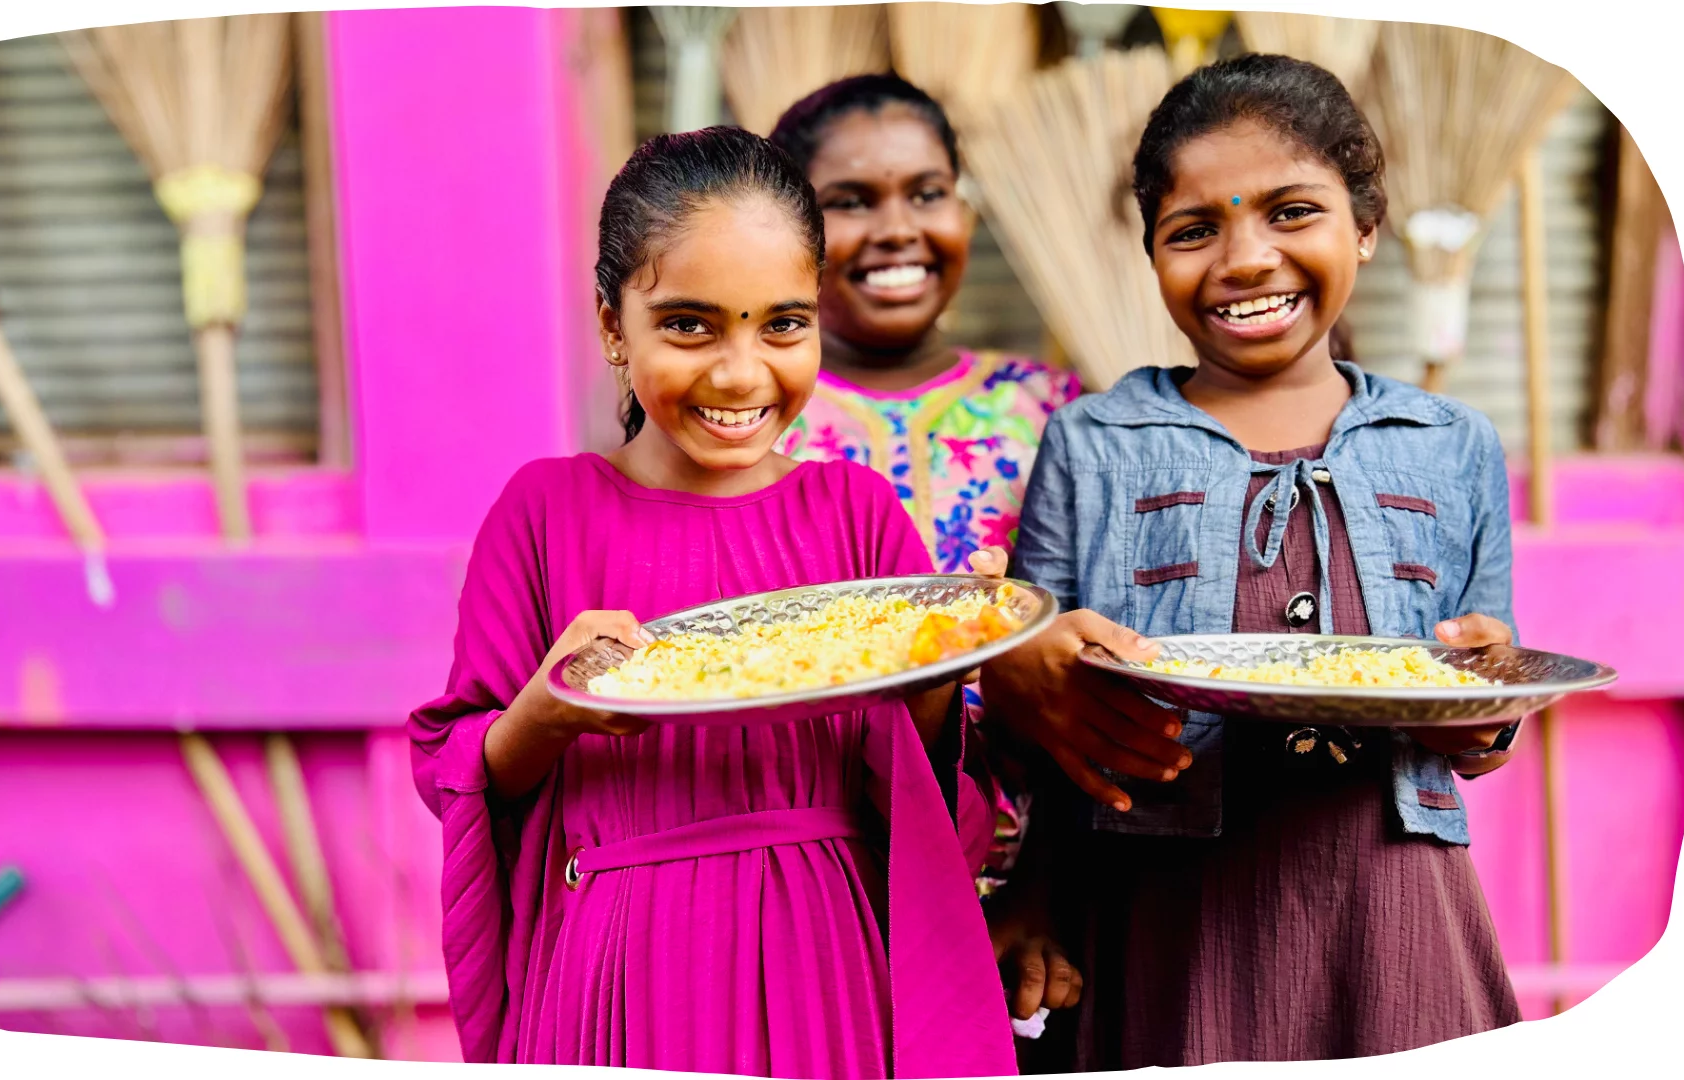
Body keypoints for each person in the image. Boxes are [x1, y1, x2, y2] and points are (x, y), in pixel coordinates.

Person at [409, 126, 1016, 1078]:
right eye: (690, 325)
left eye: (782, 323)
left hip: (830, 962)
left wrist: (950, 654)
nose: (741, 374)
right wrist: (548, 711)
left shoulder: (853, 513)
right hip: (619, 970)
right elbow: (460, 767)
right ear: (615, 325)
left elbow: (924, 782)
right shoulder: (544, 512)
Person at [979, 55, 1524, 1068]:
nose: (1242, 257)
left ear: (1366, 226)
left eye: (1291, 211)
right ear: (1151, 254)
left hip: (1390, 907)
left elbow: (1483, 717)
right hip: (1164, 913)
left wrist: (1489, 701)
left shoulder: (1452, 443)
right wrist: (1036, 891)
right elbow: (1044, 715)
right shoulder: (1092, 443)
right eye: (1195, 229)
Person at [768, 78, 1084, 1016]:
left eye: (927, 191)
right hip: (819, 881)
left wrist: (1045, 888)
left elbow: (1097, 670)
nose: (897, 227)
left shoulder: (1056, 411)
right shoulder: (750, 424)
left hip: (1027, 890)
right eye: (851, 202)